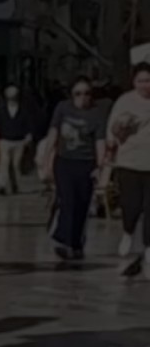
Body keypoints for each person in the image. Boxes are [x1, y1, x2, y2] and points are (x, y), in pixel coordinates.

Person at [42, 76, 108, 261]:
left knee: (82, 204)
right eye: (78, 93)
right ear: (71, 95)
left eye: (87, 93)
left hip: (86, 163)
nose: (83, 98)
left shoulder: (97, 113)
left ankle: (77, 243)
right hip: (64, 161)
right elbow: (53, 134)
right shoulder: (63, 108)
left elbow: (100, 141)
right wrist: (46, 161)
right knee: (68, 201)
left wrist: (100, 168)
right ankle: (63, 240)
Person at [107, 63, 150, 277]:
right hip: (129, 162)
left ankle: (149, 249)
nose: (145, 85)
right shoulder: (125, 101)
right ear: (134, 82)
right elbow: (112, 132)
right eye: (141, 81)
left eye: (148, 80)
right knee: (131, 205)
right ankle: (128, 231)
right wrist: (121, 127)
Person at [0, 83, 34, 195]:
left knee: (16, 164)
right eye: (10, 96)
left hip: (19, 140)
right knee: (4, 163)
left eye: (14, 96)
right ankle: (1, 185)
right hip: (5, 140)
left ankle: (15, 185)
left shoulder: (23, 110)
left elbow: (28, 122)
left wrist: (29, 135)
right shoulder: (1, 110)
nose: (12, 98)